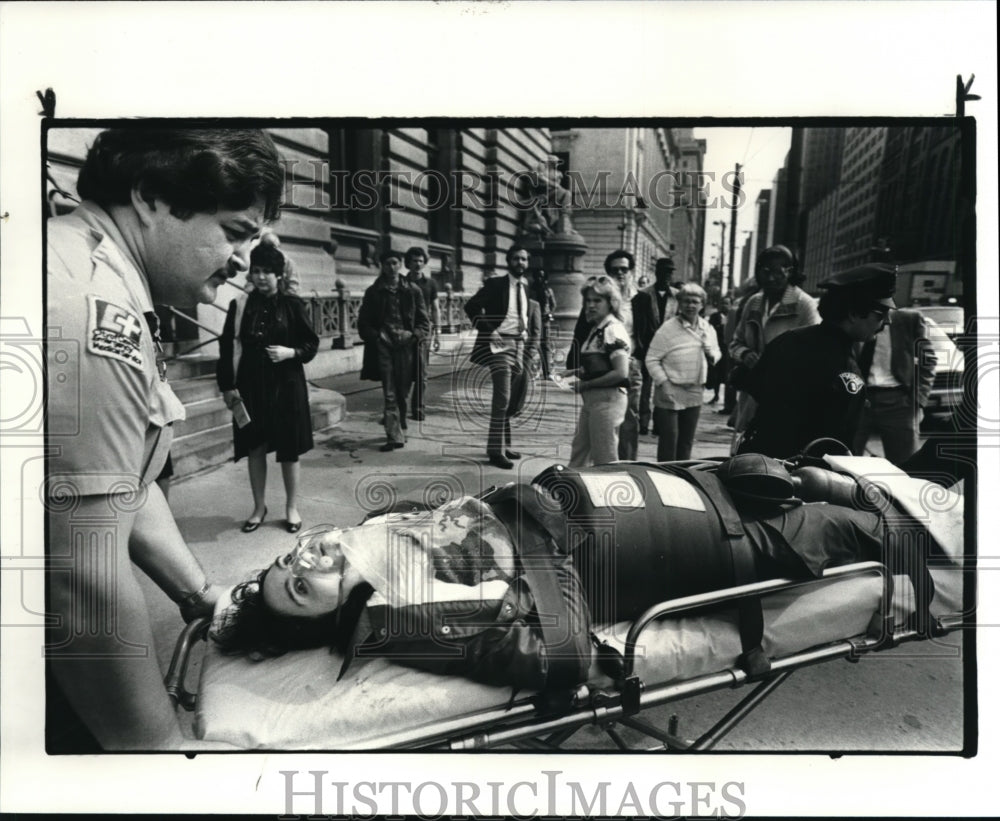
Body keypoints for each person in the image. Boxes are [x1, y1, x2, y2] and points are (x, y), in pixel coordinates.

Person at [209, 453, 944, 691]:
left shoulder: (378, 537)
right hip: (687, 542)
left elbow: (470, 513)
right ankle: (950, 550)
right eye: (303, 585)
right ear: (334, 616)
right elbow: (555, 654)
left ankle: (856, 487)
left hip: (667, 487)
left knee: (778, 474)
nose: (307, 556)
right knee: (876, 529)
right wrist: (542, 536)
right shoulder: (394, 620)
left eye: (289, 559)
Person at [45, 127, 284, 749]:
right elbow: (83, 582)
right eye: (234, 231)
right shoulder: (92, 306)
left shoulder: (92, 266)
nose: (241, 260)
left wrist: (199, 594)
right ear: (150, 197)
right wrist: (156, 755)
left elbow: (122, 478)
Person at [739, 263, 897, 459]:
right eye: (881, 315)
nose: (887, 322)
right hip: (803, 477)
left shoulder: (787, 340)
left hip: (756, 463)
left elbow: (754, 397)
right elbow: (840, 447)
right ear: (854, 314)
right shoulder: (846, 371)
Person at [217, 243, 319, 534]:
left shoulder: (292, 304)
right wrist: (227, 386)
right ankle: (259, 507)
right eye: (257, 271)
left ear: (279, 275)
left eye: (268, 272)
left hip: (287, 385)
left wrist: (291, 353)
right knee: (255, 447)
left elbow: (311, 344)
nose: (261, 277)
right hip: (251, 385)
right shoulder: (240, 305)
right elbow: (226, 346)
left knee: (289, 450)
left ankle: (291, 508)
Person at [729, 246, 819, 440]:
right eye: (765, 271)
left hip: (787, 397)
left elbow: (818, 352)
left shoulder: (805, 304)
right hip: (752, 395)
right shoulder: (753, 302)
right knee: (744, 452)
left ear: (791, 272)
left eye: (778, 272)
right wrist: (745, 354)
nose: (770, 278)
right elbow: (735, 343)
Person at [464, 245, 541, 469]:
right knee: (502, 398)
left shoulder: (526, 286)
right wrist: (490, 330)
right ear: (508, 261)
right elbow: (471, 306)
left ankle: (504, 446)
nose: (520, 263)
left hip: (519, 346)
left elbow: (522, 315)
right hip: (499, 346)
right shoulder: (496, 284)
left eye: (524, 259)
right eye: (516, 259)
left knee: (511, 399)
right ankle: (495, 452)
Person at [566, 250, 641, 459]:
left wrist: (586, 384)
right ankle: (572, 489)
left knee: (605, 457)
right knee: (580, 452)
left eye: (597, 301)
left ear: (610, 303)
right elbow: (599, 363)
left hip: (608, 400)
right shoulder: (597, 327)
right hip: (593, 400)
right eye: (587, 300)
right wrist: (575, 372)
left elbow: (620, 373)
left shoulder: (612, 329)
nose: (590, 305)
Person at [357, 250, 430, 451]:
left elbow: (424, 323)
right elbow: (363, 324)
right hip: (384, 348)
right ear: (382, 265)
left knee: (402, 391)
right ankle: (394, 436)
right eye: (387, 263)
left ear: (400, 265)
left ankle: (400, 424)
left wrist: (413, 335)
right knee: (389, 392)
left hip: (406, 348)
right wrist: (377, 336)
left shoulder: (413, 290)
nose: (391, 267)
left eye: (395, 263)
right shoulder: (373, 292)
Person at [644, 283, 721, 461]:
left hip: (695, 389)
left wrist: (711, 353)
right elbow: (651, 359)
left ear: (702, 304)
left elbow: (717, 353)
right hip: (670, 389)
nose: (690, 306)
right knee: (669, 440)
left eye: (695, 302)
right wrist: (664, 383)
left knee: (686, 441)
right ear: (679, 303)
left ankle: (682, 479)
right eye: (686, 301)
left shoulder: (707, 328)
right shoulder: (668, 328)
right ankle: (664, 478)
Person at [852, 307, 937, 465]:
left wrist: (918, 400)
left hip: (899, 402)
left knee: (906, 466)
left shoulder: (908, 319)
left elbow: (928, 360)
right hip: (859, 399)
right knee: (847, 459)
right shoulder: (855, 318)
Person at [632, 258, 679, 435]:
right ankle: (643, 423)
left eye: (670, 272)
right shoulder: (643, 295)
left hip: (669, 350)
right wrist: (641, 346)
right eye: (663, 271)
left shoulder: (677, 296)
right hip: (646, 348)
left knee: (664, 386)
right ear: (656, 272)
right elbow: (637, 325)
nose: (667, 275)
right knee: (645, 387)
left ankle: (659, 424)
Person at [404, 246, 439, 421]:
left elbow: (435, 308)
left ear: (424, 263)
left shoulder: (430, 283)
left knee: (421, 372)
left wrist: (438, 331)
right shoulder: (401, 282)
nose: (417, 264)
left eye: (420, 261)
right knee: (402, 371)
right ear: (407, 263)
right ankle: (400, 409)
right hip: (404, 332)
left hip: (424, 332)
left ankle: (418, 408)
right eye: (414, 260)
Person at [706, 296, 732, 404]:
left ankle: (728, 399)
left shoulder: (732, 316)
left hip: (728, 349)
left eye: (727, 303)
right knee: (716, 373)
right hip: (717, 347)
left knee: (727, 374)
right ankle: (715, 395)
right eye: (723, 303)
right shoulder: (714, 316)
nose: (724, 306)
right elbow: (711, 330)